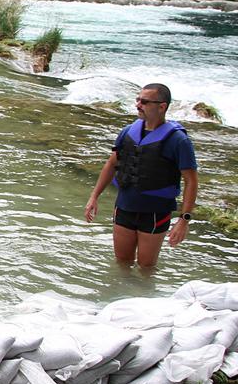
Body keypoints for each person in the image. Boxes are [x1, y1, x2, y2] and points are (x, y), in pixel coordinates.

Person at [84, 83, 198, 268]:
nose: (138, 105)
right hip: (124, 207)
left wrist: (183, 221)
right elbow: (112, 164)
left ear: (162, 107)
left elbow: (191, 181)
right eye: (138, 100)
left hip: (155, 212)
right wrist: (94, 196)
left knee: (146, 268)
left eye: (144, 102)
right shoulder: (128, 131)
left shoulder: (178, 141)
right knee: (122, 264)